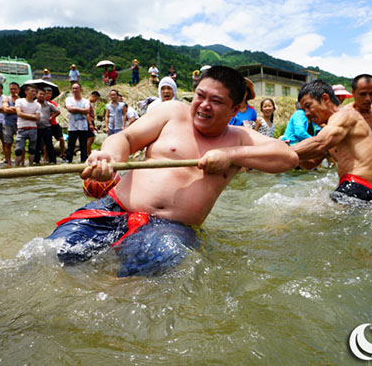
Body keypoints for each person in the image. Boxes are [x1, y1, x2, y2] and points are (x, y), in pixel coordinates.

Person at [45, 65, 298, 276]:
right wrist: (108, 159)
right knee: (50, 255)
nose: (204, 105)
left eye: (216, 101)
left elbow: (288, 157)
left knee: (140, 281)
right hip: (113, 209)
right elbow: (126, 138)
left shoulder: (241, 138)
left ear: (234, 110)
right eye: (200, 96)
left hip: (170, 230)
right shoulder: (172, 112)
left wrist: (230, 156)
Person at [292, 80, 372, 210]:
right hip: (360, 190)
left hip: (357, 186)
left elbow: (320, 142)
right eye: (304, 109)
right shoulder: (330, 130)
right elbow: (311, 164)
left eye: (308, 106)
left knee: (295, 212)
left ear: (325, 98)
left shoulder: (345, 115)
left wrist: (281, 150)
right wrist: (291, 157)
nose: (306, 114)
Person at [14, 84, 41, 166]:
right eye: (32, 91)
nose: (34, 93)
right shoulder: (19, 101)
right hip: (22, 128)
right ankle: (16, 168)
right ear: (26, 92)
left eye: (35, 91)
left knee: (32, 150)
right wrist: (32, 116)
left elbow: (37, 118)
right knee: (18, 150)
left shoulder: (37, 104)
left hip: (33, 128)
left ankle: (31, 166)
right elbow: (19, 113)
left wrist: (25, 115)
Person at [33, 87, 60, 164]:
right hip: (36, 127)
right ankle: (36, 160)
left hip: (47, 127)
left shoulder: (48, 104)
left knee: (49, 144)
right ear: (36, 95)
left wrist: (51, 117)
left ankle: (52, 160)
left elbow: (57, 111)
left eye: (43, 94)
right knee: (37, 145)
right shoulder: (33, 104)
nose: (42, 96)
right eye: (40, 94)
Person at [65, 83, 90, 163]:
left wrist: (75, 109)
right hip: (72, 126)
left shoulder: (86, 101)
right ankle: (69, 160)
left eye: (76, 88)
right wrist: (81, 110)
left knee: (83, 145)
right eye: (73, 88)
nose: (75, 90)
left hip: (83, 126)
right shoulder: (69, 99)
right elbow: (69, 109)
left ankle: (84, 161)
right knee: (71, 145)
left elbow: (87, 110)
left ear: (80, 90)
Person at [2, 82, 20, 167]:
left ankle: (20, 162)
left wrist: (11, 109)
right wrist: (17, 110)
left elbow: (23, 110)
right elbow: (5, 109)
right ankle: (8, 162)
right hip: (8, 123)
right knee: (8, 143)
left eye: (15, 89)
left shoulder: (21, 99)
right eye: (11, 89)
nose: (13, 90)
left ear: (18, 90)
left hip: (19, 123)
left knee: (20, 143)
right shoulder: (6, 99)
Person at [45, 87, 66, 160]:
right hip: (46, 125)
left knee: (61, 138)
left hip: (54, 123)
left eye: (50, 94)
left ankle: (62, 153)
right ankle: (45, 157)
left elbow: (57, 111)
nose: (48, 95)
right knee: (46, 142)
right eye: (47, 93)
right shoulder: (41, 103)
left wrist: (51, 116)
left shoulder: (52, 103)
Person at [86, 90, 101, 156]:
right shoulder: (87, 103)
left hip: (90, 121)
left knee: (91, 137)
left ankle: (88, 151)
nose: (96, 101)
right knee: (90, 137)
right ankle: (88, 152)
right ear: (93, 96)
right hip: (88, 122)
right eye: (96, 99)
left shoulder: (89, 103)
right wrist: (90, 124)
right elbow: (87, 114)